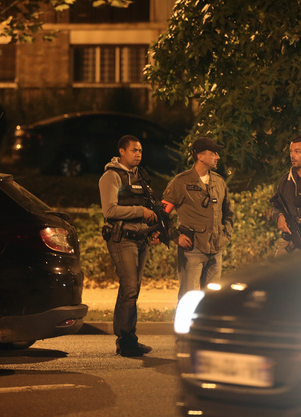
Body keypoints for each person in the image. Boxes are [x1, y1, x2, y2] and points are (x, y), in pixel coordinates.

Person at [99, 135, 158, 357]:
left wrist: (153, 229)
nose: (138, 154)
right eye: (134, 150)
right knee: (130, 288)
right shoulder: (111, 176)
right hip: (122, 239)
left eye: (141, 151)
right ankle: (125, 340)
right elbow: (110, 211)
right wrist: (139, 212)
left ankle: (128, 338)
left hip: (140, 238)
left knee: (131, 289)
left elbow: (149, 205)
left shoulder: (140, 176)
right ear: (122, 151)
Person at [162, 137, 234, 301]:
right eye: (213, 153)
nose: (218, 157)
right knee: (189, 299)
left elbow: (228, 213)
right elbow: (162, 213)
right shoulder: (181, 183)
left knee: (213, 300)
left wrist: (226, 235)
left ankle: (207, 327)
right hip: (192, 251)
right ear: (200, 156)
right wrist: (174, 236)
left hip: (216, 250)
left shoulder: (219, 182)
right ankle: (186, 327)